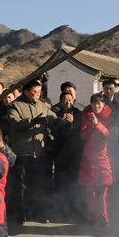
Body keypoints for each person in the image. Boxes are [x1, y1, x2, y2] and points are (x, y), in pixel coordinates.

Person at [7, 79, 57, 225]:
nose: (37, 94)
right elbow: (15, 123)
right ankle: (21, 214)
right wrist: (32, 121)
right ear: (26, 91)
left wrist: (60, 119)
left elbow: (52, 117)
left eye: (39, 92)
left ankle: (39, 213)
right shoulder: (15, 105)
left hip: (40, 153)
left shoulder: (43, 105)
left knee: (38, 185)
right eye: (34, 92)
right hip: (22, 153)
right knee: (21, 186)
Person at [79, 95, 114, 226]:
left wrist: (97, 124)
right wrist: (91, 124)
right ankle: (91, 217)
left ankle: (104, 218)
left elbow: (108, 134)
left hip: (103, 155)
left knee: (103, 190)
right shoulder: (86, 115)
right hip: (88, 156)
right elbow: (83, 135)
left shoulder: (109, 115)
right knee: (90, 190)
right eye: (94, 104)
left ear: (104, 104)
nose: (96, 106)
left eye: (99, 104)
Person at [51, 90, 83, 222]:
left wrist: (73, 122)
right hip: (60, 153)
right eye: (65, 99)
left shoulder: (78, 113)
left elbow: (82, 129)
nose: (68, 102)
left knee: (74, 182)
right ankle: (61, 210)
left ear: (74, 101)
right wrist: (62, 121)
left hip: (75, 153)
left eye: (70, 99)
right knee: (60, 182)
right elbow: (52, 129)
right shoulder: (55, 113)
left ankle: (74, 209)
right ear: (60, 101)